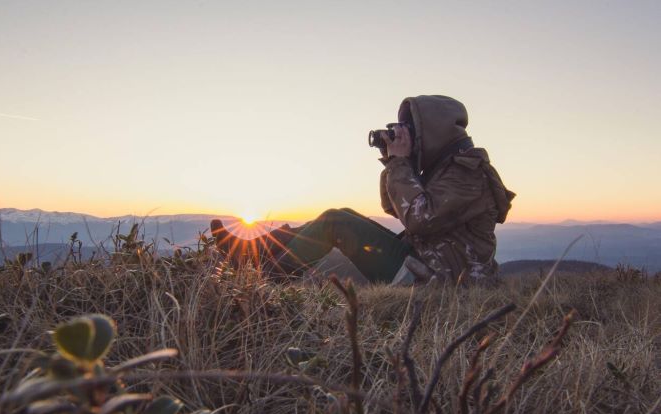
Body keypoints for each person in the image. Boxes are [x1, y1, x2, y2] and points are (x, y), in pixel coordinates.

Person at [210, 95, 515, 285]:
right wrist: (394, 161)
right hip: (425, 264)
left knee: (336, 222)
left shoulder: (467, 174)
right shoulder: (447, 168)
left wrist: (399, 162)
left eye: (412, 132)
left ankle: (267, 277)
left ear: (432, 133)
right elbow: (394, 207)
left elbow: (418, 219)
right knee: (340, 215)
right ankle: (252, 251)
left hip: (441, 282)